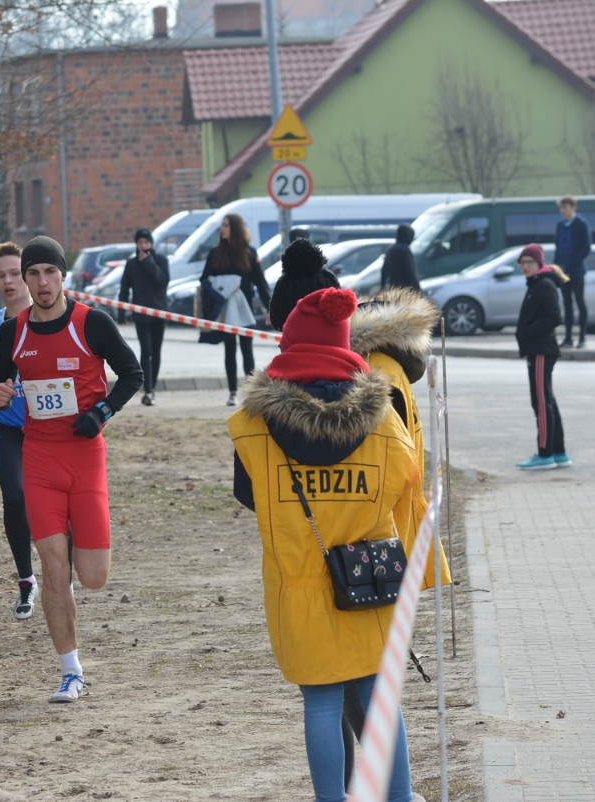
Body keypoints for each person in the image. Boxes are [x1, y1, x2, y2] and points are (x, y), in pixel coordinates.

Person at [229, 288, 427, 802]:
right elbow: (406, 480)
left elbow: (246, 493)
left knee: (319, 700)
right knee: (377, 698)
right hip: (369, 575)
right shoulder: (384, 417)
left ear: (289, 343)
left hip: (297, 578)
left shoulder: (253, 423)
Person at [0, 236, 143, 703]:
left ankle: (74, 545)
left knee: (92, 576)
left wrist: (102, 413)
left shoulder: (90, 323)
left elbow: (134, 373)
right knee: (54, 574)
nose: (40, 283)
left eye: (48, 273)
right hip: (38, 458)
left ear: (63, 277)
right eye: (31, 274)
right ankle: (70, 672)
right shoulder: (11, 332)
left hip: (85, 456)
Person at [0, 242, 38, 620]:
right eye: (1, 276)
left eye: (15, 273)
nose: (8, 281)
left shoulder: (49, 317)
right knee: (14, 496)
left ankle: (60, 576)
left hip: (51, 429)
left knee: (51, 504)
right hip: (11, 428)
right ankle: (27, 580)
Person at [198, 213, 271, 406]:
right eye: (222, 225)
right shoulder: (215, 253)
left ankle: (250, 392)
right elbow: (204, 279)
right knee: (229, 349)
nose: (222, 229)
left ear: (236, 229)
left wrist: (269, 308)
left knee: (247, 349)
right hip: (224, 310)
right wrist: (225, 285)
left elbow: (260, 283)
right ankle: (232, 392)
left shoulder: (249, 253)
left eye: (226, 226)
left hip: (244, 309)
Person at [512, 244, 570, 470]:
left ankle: (545, 453)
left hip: (541, 350)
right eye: (522, 262)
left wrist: (528, 332)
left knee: (541, 403)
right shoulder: (536, 283)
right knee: (547, 401)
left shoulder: (544, 284)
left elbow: (554, 317)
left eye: (530, 262)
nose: (525, 266)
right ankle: (559, 452)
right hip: (537, 349)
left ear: (539, 263)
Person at [118, 227, 170, 405]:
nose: (143, 246)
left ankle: (152, 388)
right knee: (145, 350)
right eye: (140, 243)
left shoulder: (161, 260)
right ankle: (147, 388)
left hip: (158, 312)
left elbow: (163, 281)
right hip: (140, 315)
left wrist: (149, 262)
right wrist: (121, 314)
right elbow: (124, 289)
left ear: (151, 244)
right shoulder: (131, 264)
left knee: (156, 352)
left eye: (146, 242)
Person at [268, 238, 340, 332]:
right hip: (325, 338)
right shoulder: (327, 279)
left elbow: (276, 318)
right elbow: (339, 312)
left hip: (293, 340)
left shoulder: (284, 284)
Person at [554, 195, 591, 348]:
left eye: (565, 207)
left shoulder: (581, 224)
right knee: (567, 304)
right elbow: (558, 247)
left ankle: (582, 337)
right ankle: (568, 338)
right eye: (561, 208)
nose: (563, 210)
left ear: (573, 207)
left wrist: (572, 263)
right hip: (563, 272)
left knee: (580, 301)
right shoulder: (560, 225)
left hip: (576, 271)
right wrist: (556, 268)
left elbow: (586, 247)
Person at [379, 224, 419, 292]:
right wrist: (418, 290)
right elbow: (411, 272)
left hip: (392, 287)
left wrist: (383, 287)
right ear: (407, 236)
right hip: (405, 289)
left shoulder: (390, 249)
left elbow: (384, 271)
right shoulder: (405, 250)